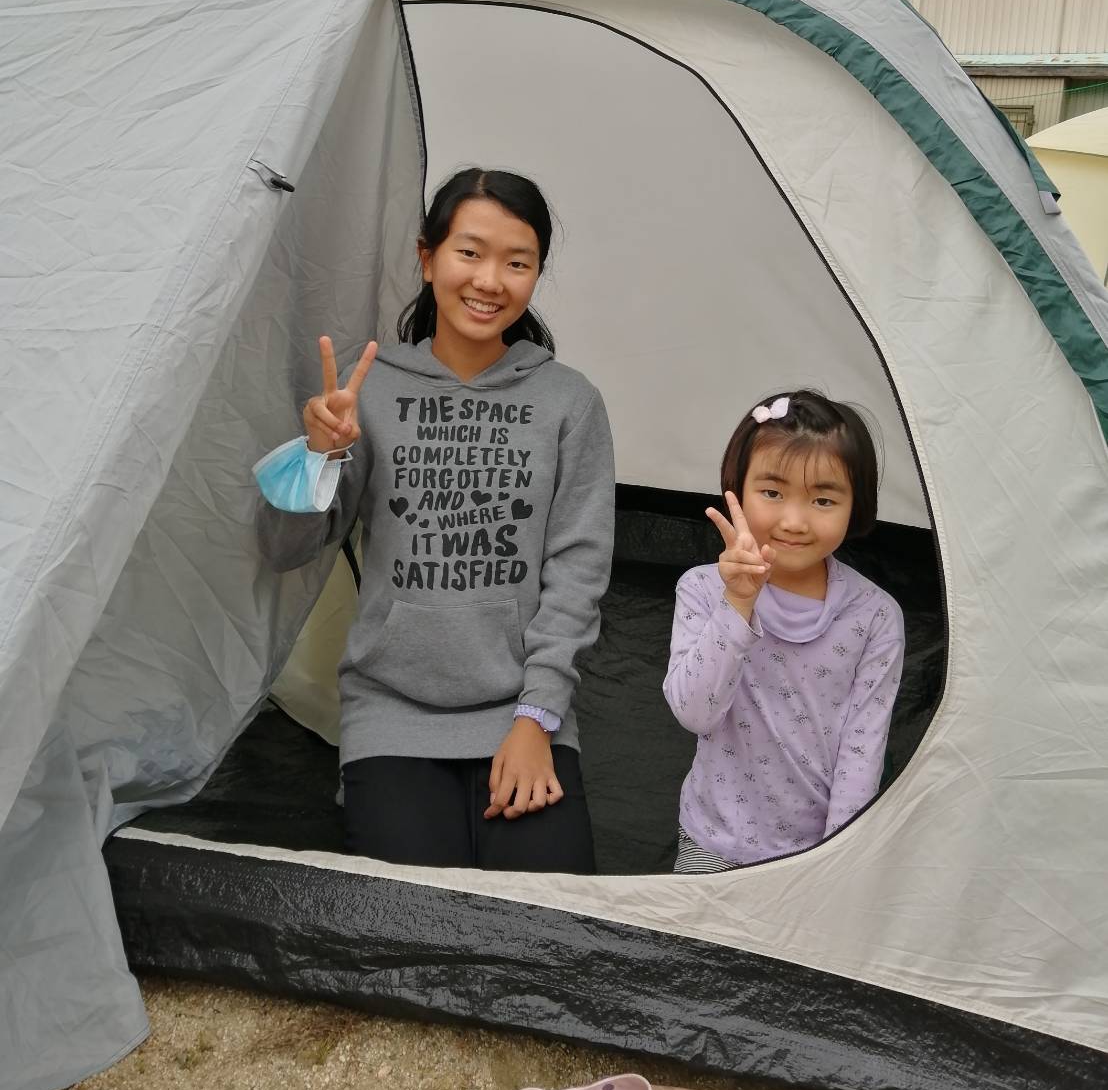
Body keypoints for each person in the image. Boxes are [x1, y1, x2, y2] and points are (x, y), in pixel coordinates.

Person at [255, 168, 614, 872]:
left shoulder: (570, 401)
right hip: (391, 711)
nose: (490, 280)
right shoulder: (370, 391)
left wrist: (537, 717)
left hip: (521, 710)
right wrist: (319, 456)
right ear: (427, 257)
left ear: (537, 273)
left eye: (517, 263)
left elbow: (578, 572)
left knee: (548, 915)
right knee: (409, 914)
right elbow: (284, 547)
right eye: (469, 253)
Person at [663, 390, 904, 871]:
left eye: (823, 499)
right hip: (713, 839)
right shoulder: (702, 589)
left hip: (812, 856)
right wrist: (738, 602)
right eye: (772, 493)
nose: (794, 522)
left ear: (855, 505)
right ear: (737, 489)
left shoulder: (875, 617)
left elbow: (862, 755)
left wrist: (830, 862)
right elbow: (694, 713)